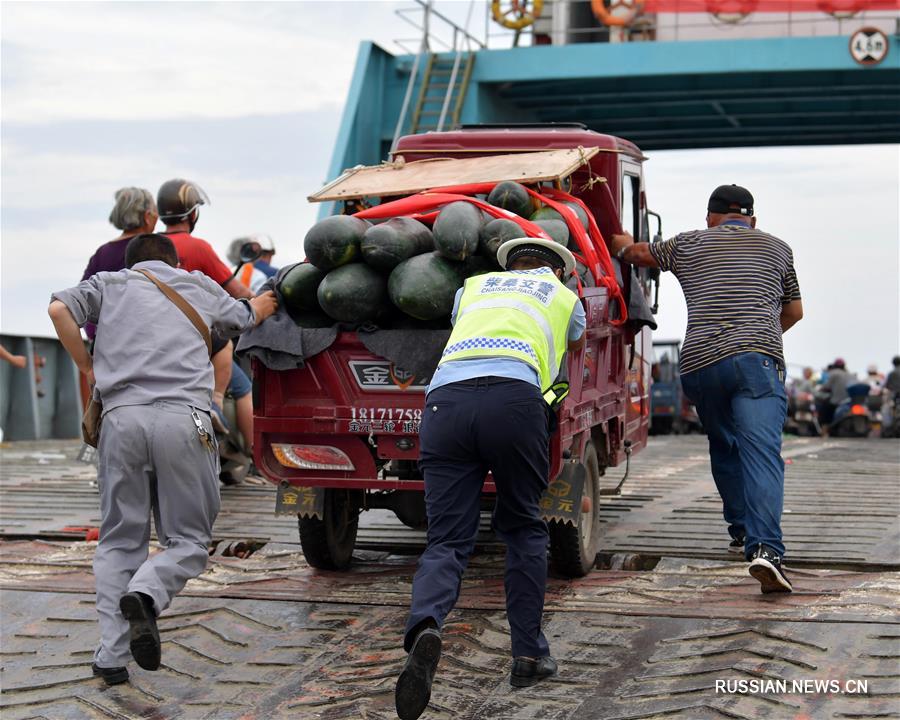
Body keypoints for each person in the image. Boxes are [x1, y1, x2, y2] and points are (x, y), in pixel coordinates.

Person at [47, 233, 277, 686]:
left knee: (119, 541)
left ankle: (112, 656)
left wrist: (87, 366)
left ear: (131, 263)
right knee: (188, 540)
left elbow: (58, 310)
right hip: (185, 419)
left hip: (121, 421)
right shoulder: (196, 284)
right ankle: (147, 593)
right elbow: (245, 316)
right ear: (174, 263)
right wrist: (265, 304)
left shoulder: (109, 284)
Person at [395, 237, 585, 720]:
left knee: (446, 540)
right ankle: (528, 657)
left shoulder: (473, 287)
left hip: (445, 404)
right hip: (514, 403)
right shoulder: (564, 296)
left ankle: (425, 627)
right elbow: (576, 344)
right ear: (557, 271)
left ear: (510, 265)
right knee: (522, 528)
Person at [611, 184, 803, 594]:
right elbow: (794, 311)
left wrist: (623, 245)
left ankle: (741, 528)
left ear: (710, 218)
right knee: (761, 453)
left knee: (725, 444)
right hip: (756, 362)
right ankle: (765, 550)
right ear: (752, 219)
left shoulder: (688, 243)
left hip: (701, 365)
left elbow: (638, 254)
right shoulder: (778, 248)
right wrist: (759, 337)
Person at [81, 187, 159, 340]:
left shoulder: (102, 253)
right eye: (155, 212)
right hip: (142, 339)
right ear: (147, 216)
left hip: (106, 340)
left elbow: (84, 299)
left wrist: (94, 335)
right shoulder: (152, 248)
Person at [156, 178, 253, 300]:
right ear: (192, 214)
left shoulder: (148, 246)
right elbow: (238, 292)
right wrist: (257, 298)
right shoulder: (198, 247)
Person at [818, 358, 851, 427]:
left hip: (837, 401)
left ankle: (825, 427)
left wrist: (821, 389)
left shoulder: (833, 373)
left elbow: (826, 386)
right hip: (849, 400)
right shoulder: (849, 374)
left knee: (823, 407)